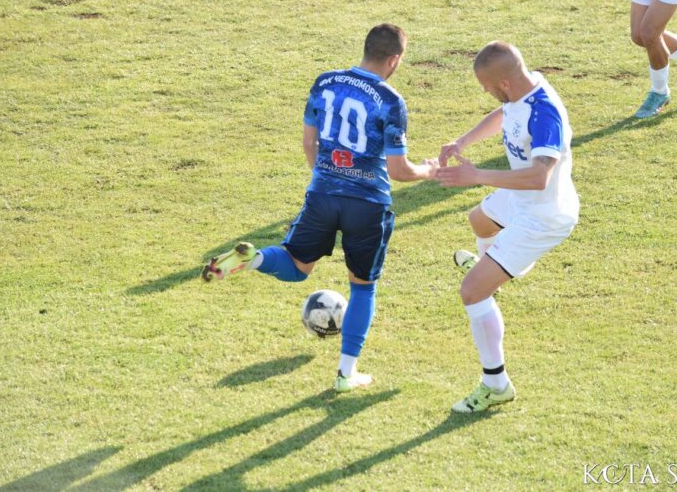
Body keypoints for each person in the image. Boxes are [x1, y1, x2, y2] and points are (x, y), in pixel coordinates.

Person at [201, 24, 438, 392]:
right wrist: (429, 171)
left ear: (366, 49)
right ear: (394, 59)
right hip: (368, 205)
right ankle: (346, 374)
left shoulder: (325, 82)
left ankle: (255, 259)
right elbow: (399, 170)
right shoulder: (390, 100)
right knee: (362, 288)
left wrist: (326, 177)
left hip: (323, 194)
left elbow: (308, 142)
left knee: (297, 266)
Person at [436, 41, 579, 413]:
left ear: (502, 83)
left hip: (543, 217)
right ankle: (495, 274)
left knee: (471, 292)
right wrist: (463, 141)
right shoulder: (522, 88)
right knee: (479, 220)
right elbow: (505, 114)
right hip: (521, 198)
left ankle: (495, 384)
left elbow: (539, 177)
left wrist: (476, 175)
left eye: (487, 87)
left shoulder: (546, 114)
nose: (486, 93)